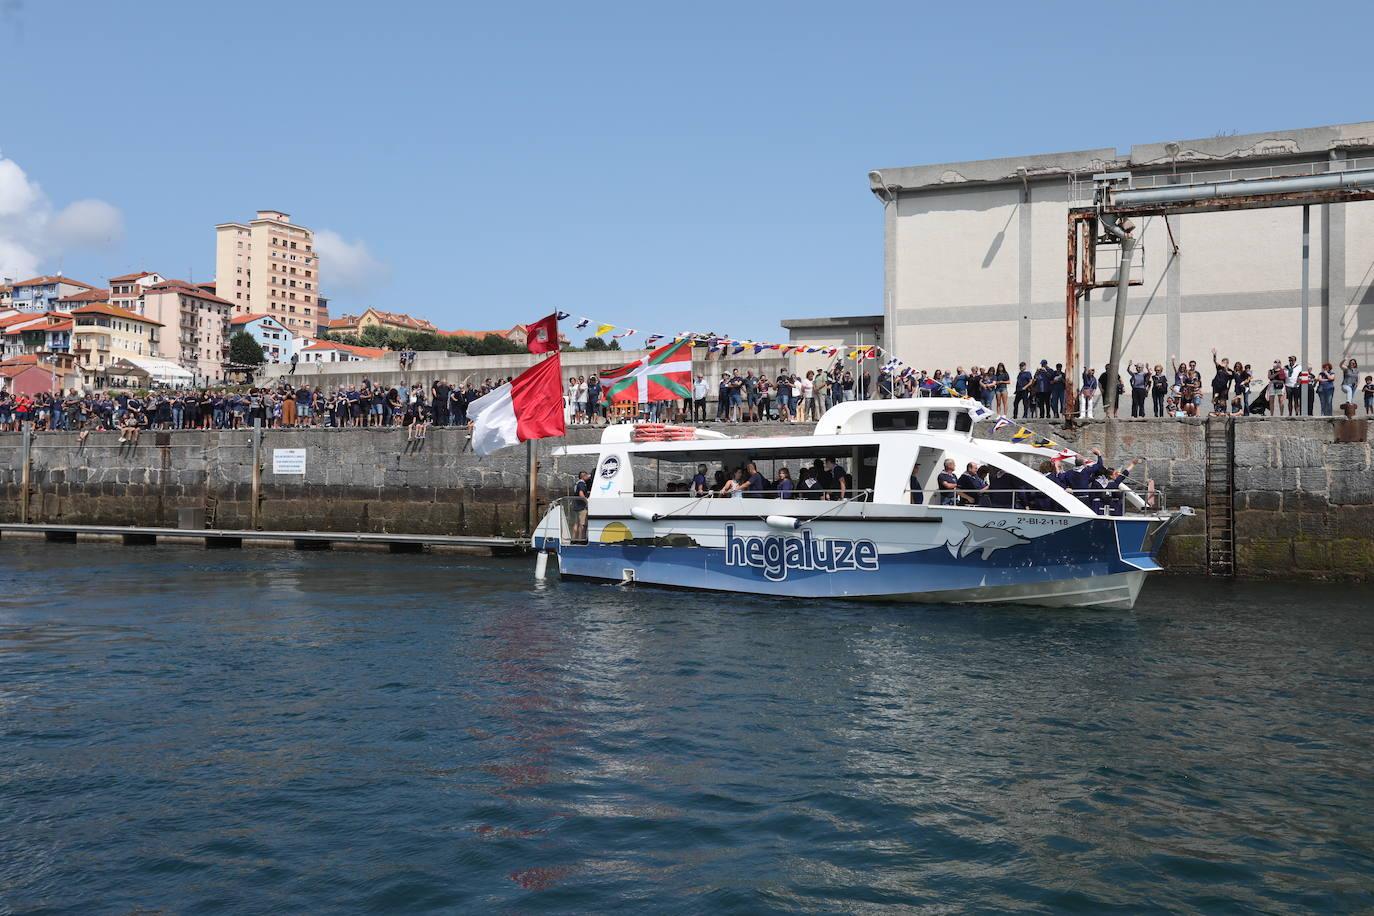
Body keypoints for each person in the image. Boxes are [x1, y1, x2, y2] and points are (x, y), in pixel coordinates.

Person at [571, 471, 591, 542]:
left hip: (576, 506)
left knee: (576, 523)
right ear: (584, 476)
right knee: (582, 524)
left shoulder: (577, 483)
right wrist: (587, 501)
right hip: (582, 507)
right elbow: (581, 494)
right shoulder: (582, 483)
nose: (588, 477)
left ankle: (573, 539)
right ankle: (581, 539)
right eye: (587, 476)